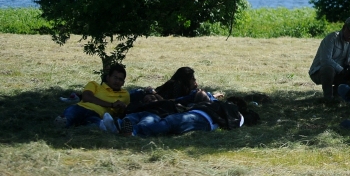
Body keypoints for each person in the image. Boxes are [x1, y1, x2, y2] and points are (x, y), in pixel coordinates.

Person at [103, 97, 259, 137]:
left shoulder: (236, 113)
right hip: (197, 117)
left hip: (201, 119)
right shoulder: (228, 109)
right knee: (169, 125)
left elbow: (233, 123)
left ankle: (133, 132)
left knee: (169, 122)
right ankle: (121, 128)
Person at [57, 63, 130, 128]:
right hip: (81, 108)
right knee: (67, 117)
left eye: (120, 79)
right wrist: (111, 104)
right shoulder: (94, 85)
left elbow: (122, 113)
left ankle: (100, 126)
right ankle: (63, 123)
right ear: (108, 78)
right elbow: (86, 97)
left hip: (98, 115)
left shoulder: (125, 95)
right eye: (115, 78)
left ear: (123, 83)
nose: (117, 81)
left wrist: (122, 109)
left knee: (94, 125)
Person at [309, 17, 350, 102]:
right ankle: (328, 98)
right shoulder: (331, 38)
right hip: (319, 71)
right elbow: (325, 60)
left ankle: (338, 95)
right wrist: (343, 70)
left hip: (340, 73)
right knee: (328, 68)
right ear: (344, 28)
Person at [154, 67, 222, 104]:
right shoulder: (175, 84)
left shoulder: (184, 86)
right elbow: (176, 100)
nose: (194, 80)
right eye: (192, 78)